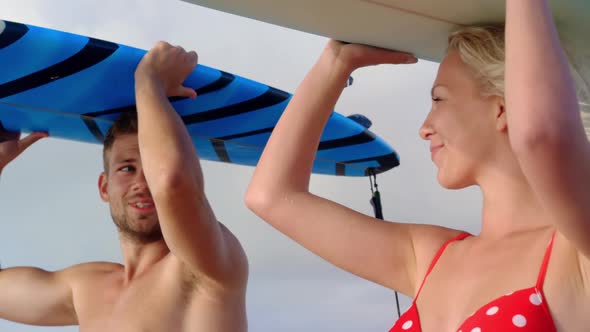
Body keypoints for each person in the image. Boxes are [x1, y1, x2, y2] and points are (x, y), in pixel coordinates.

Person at [245, 0, 590, 331]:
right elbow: (271, 196)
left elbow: (541, 136)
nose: (424, 128)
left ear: (502, 109)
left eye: (439, 98)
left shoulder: (574, 253)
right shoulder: (428, 258)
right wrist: (335, 62)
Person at [0, 42, 248, 331]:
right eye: (127, 168)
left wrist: (149, 84)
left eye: (151, 169)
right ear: (104, 187)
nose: (143, 183)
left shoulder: (205, 266)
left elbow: (173, 183)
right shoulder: (87, 289)